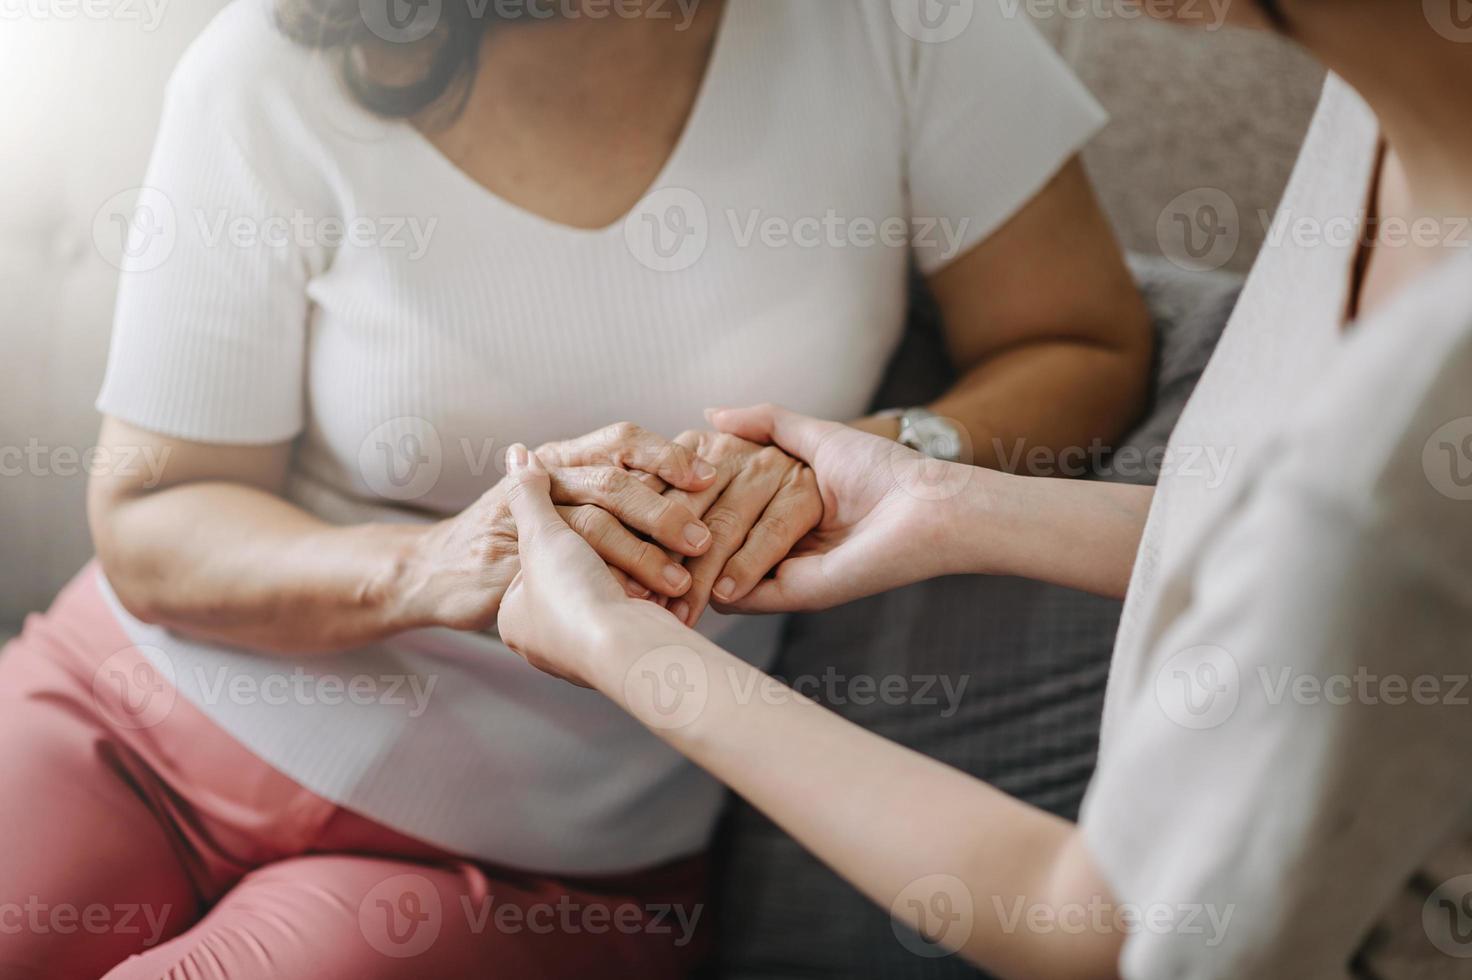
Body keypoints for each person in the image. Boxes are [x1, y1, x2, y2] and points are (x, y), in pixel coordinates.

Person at [0, 0, 1152, 976]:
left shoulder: (907, 28)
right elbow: (153, 516)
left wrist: (873, 455)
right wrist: (436, 560)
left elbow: (1078, 336)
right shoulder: (271, 65)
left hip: (539, 853)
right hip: (129, 717)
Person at [493, 0, 1472, 975]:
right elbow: (1308, 581)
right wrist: (946, 502)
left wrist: (624, 649)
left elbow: (1101, 928)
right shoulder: (1382, 101)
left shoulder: (1414, 415)